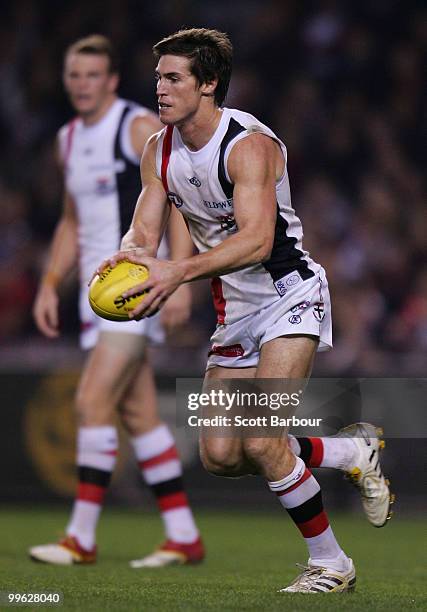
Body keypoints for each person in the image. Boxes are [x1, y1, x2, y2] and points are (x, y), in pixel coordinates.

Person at [99, 28, 393, 592]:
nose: (159, 88)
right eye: (158, 76)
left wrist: (176, 272)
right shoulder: (158, 150)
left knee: (261, 439)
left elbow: (258, 241)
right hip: (234, 308)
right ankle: (351, 450)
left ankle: (332, 564)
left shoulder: (248, 144)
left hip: (289, 296)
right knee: (221, 455)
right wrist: (130, 260)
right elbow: (145, 228)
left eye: (173, 78)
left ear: (208, 84)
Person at [29, 34, 204, 568]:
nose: (82, 84)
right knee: (140, 415)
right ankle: (183, 535)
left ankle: (80, 537)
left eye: (92, 75)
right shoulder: (66, 140)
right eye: (74, 75)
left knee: (90, 402)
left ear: (110, 80)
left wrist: (175, 276)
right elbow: (72, 220)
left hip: (133, 292)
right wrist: (48, 283)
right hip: (95, 298)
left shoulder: (137, 128)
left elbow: (175, 195)